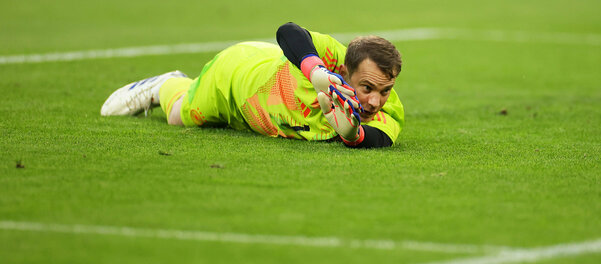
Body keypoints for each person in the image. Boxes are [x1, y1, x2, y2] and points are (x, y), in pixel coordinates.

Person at [101, 22, 404, 148]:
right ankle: (165, 85)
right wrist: (314, 71)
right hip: (235, 79)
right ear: (346, 70)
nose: (376, 101)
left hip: (255, 118)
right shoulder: (332, 57)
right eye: (367, 88)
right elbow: (288, 31)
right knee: (178, 116)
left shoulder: (385, 111)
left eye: (385, 89)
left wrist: (353, 134)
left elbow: (382, 138)